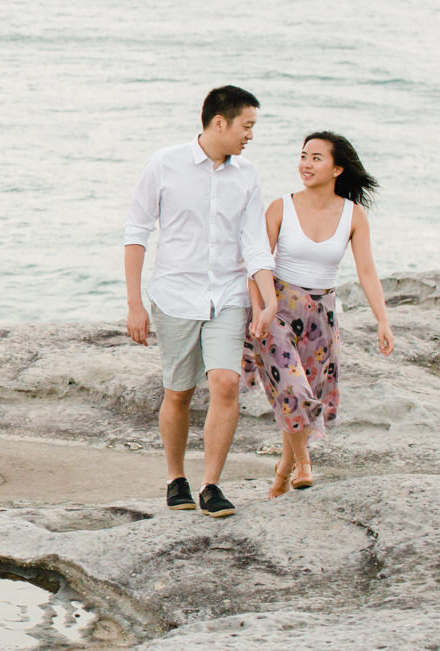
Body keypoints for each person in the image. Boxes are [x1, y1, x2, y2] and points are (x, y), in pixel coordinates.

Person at [125, 85, 278, 519]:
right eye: (246, 126)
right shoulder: (165, 164)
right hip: (174, 296)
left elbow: (255, 244)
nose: (250, 135)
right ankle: (176, 477)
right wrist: (135, 304)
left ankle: (211, 485)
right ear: (219, 123)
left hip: (227, 295)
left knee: (226, 384)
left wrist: (267, 302)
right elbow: (136, 232)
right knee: (179, 392)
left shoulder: (247, 175)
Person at [244, 131, 394, 499]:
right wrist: (260, 307)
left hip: (321, 317)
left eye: (316, 158)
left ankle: (282, 470)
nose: (306, 164)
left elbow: (367, 272)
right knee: (292, 387)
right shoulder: (281, 207)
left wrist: (383, 320)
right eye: (303, 156)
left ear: (337, 168)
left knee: (299, 394)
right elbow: (257, 261)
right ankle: (304, 461)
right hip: (277, 308)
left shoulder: (353, 216)